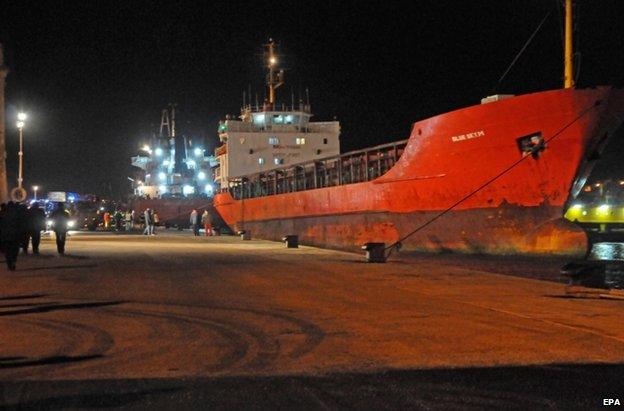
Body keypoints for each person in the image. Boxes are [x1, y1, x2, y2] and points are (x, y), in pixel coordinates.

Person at [1, 202, 23, 270]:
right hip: (15, 236)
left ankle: (9, 264)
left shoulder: (3, 214)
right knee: (14, 250)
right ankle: (13, 261)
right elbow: (21, 226)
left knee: (7, 251)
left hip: (6, 236)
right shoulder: (17, 215)